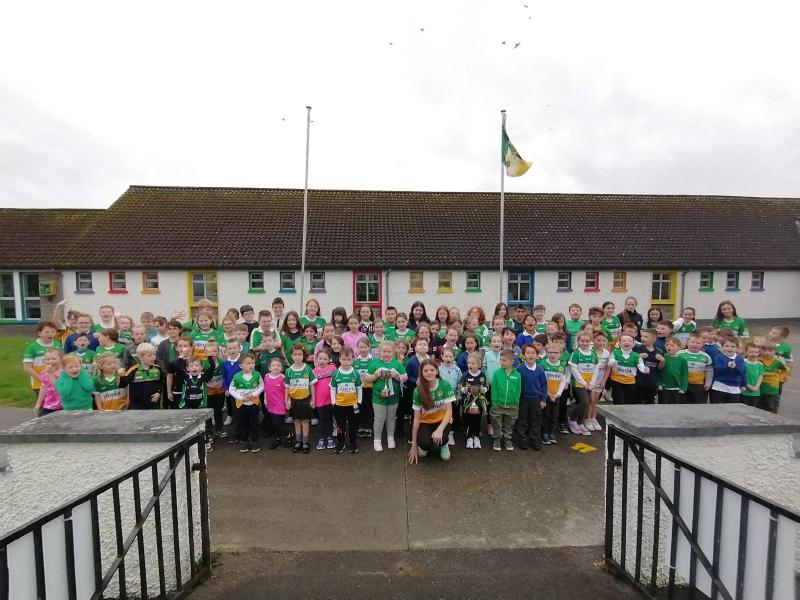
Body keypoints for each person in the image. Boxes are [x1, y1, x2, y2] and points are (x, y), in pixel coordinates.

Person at [408, 358, 455, 463]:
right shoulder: (417, 391)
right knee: (424, 443)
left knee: (442, 439)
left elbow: (449, 411)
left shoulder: (444, 385)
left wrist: (440, 429)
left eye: (432, 370)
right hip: (426, 421)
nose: (429, 373)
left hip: (442, 420)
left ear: (437, 371)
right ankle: (424, 447)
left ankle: (444, 444)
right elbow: (416, 419)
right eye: (425, 371)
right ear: (421, 373)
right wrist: (414, 445)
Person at [365, 341, 407, 451]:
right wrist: (375, 375)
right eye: (384, 351)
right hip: (378, 397)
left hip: (394, 397)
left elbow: (405, 377)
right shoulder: (374, 364)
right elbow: (367, 379)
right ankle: (377, 440)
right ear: (379, 352)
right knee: (379, 418)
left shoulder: (397, 364)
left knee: (391, 418)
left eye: (389, 351)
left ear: (393, 352)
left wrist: (397, 376)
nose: (386, 353)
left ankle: (390, 438)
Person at [330, 347, 363, 454]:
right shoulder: (336, 373)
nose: (346, 362)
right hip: (339, 405)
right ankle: (341, 442)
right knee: (340, 425)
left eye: (348, 360)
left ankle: (353, 442)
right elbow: (333, 388)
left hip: (353, 405)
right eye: (343, 359)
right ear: (339, 359)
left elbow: (359, 388)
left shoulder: (355, 373)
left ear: (353, 359)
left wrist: (359, 401)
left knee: (353, 425)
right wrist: (333, 402)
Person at [229, 353, 264, 453]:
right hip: (241, 404)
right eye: (248, 363)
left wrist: (253, 394)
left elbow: (262, 386)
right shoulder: (237, 376)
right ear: (241, 365)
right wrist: (240, 398)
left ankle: (254, 441)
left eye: (253, 363)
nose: (251, 365)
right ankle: (245, 441)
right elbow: (231, 389)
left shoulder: (257, 375)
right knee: (243, 423)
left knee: (254, 423)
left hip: (253, 404)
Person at [285, 344, 317, 454]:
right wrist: (286, 400)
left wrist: (313, 399)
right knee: (296, 421)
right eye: (295, 354)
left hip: (305, 400)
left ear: (303, 356)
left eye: (300, 354)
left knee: (305, 421)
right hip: (294, 400)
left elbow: (312, 385)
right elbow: (287, 387)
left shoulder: (308, 368)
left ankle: (305, 442)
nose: (297, 356)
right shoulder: (288, 370)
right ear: (291, 356)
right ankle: (298, 441)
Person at [515, 344, 548, 450]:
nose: (531, 355)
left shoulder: (540, 369)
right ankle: (523, 440)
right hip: (523, 399)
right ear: (523, 355)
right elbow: (516, 385)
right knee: (522, 420)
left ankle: (534, 439)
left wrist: (543, 399)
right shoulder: (519, 369)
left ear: (537, 356)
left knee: (535, 420)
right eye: (528, 353)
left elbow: (544, 385)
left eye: (533, 353)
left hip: (536, 399)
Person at [489, 349, 522, 451]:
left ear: (512, 361)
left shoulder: (517, 375)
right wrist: (494, 401)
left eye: (504, 360)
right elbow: (494, 388)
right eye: (500, 359)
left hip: (512, 405)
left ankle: (507, 439)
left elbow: (518, 390)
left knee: (509, 424)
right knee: (496, 423)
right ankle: (497, 439)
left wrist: (516, 402)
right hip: (498, 404)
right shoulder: (497, 373)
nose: (501, 362)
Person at [606, 333, 649, 405]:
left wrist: (645, 369)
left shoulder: (636, 356)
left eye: (629, 341)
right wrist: (612, 362)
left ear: (633, 344)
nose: (626, 342)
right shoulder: (615, 352)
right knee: (618, 400)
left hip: (630, 382)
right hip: (616, 380)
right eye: (624, 341)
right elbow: (610, 361)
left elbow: (641, 365)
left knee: (629, 401)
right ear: (619, 343)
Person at [23, 321, 62, 397]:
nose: (50, 334)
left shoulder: (57, 344)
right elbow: (27, 368)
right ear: (39, 333)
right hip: (39, 383)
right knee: (43, 403)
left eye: (52, 332)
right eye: (47, 332)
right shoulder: (32, 347)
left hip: (57, 381)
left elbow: (61, 361)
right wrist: (42, 379)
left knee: (58, 402)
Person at [539, 343, 568, 445]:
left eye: (556, 353)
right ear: (547, 353)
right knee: (545, 415)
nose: (553, 354)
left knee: (554, 415)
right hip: (546, 395)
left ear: (560, 354)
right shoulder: (542, 364)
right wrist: (547, 393)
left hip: (556, 396)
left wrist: (557, 394)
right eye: (550, 352)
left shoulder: (562, 366)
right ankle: (544, 433)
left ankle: (551, 433)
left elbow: (563, 381)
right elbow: (541, 382)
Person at [459, 352, 487, 449]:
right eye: (468, 363)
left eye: (473, 363)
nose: (470, 365)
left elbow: (486, 385)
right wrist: (464, 389)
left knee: (477, 420)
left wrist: (484, 389)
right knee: (468, 419)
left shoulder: (482, 375)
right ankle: (469, 437)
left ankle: (476, 437)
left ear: (479, 364)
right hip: (467, 403)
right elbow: (460, 386)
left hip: (478, 402)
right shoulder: (465, 374)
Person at [126, 343, 166, 410]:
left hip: (154, 405)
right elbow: (122, 384)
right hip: (137, 406)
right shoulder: (133, 370)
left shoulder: (158, 369)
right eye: (149, 355)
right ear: (140, 357)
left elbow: (161, 383)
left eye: (154, 354)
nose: (153, 357)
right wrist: (120, 375)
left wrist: (159, 393)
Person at [678, 333, 713, 404]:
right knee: (682, 404)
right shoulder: (680, 354)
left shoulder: (706, 356)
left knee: (698, 404)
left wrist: (708, 383)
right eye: (692, 342)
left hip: (699, 385)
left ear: (702, 345)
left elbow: (709, 371)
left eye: (698, 343)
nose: (695, 344)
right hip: (683, 384)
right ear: (687, 343)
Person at [312, 349, 336, 450]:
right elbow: (312, 387)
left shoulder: (333, 369)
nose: (322, 361)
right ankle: (321, 438)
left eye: (325, 359)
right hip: (319, 401)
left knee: (329, 419)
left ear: (329, 359)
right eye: (320, 358)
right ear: (316, 359)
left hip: (330, 400)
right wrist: (313, 400)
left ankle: (329, 437)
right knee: (321, 420)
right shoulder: (314, 372)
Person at [263, 357, 289, 449]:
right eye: (273, 365)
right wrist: (265, 400)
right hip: (271, 404)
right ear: (269, 367)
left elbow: (287, 391)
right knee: (274, 423)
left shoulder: (283, 378)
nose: (276, 367)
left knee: (279, 422)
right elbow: (265, 390)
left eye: (278, 365)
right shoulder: (266, 377)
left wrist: (288, 401)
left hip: (280, 404)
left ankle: (288, 435)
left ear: (282, 368)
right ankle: (277, 438)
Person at [710, 339, 746, 404]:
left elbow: (742, 372)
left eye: (733, 346)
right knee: (717, 407)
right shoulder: (719, 357)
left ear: (737, 348)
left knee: (732, 408)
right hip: (719, 386)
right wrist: (727, 367)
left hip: (734, 388)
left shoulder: (739, 359)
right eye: (727, 346)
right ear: (722, 347)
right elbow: (717, 370)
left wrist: (743, 384)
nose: (729, 348)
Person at [635, 329, 663, 405]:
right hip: (638, 381)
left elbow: (660, 368)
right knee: (637, 401)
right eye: (642, 336)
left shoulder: (659, 351)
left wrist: (662, 361)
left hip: (651, 382)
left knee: (650, 402)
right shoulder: (637, 348)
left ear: (654, 339)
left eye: (646, 337)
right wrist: (638, 356)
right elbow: (631, 362)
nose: (643, 338)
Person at [33, 348, 64, 416]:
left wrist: (51, 374)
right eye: (47, 359)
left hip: (63, 404)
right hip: (49, 405)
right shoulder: (44, 373)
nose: (51, 361)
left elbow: (58, 387)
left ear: (61, 359)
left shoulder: (64, 373)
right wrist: (38, 403)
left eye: (54, 359)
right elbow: (43, 387)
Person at [354, 339, 374, 439]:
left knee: (369, 408)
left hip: (370, 389)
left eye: (365, 347)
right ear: (357, 348)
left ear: (369, 347)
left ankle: (368, 427)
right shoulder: (355, 362)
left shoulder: (373, 361)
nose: (363, 349)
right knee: (360, 408)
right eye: (360, 347)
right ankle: (360, 427)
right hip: (359, 389)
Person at [758, 342, 786, 413]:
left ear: (774, 351)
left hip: (772, 389)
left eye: (770, 351)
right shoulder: (758, 360)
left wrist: (780, 378)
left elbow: (785, 370)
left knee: (771, 407)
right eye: (765, 350)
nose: (767, 352)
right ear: (761, 351)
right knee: (759, 407)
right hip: (760, 387)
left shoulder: (777, 362)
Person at [658, 337, 688, 404]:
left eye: (672, 345)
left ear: (678, 347)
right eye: (667, 345)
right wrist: (659, 383)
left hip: (676, 388)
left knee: (675, 405)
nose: (669, 347)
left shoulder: (682, 360)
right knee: (663, 405)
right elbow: (658, 372)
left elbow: (684, 374)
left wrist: (683, 388)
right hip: (664, 387)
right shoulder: (663, 357)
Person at [166, 337, 192, 410]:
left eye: (185, 346)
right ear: (176, 348)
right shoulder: (173, 362)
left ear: (190, 348)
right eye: (180, 346)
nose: (182, 348)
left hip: (191, 391)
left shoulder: (194, 361)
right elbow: (169, 377)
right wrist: (169, 392)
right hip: (177, 391)